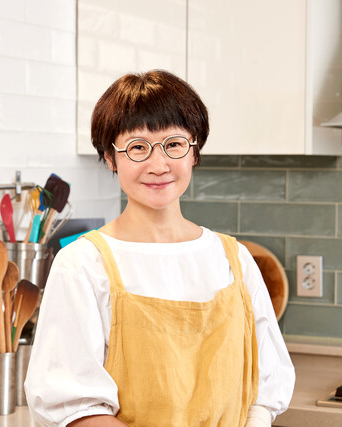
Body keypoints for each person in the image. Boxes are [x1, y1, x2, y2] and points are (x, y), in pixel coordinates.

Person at [24, 70, 295, 427]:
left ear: (193, 152)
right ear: (110, 157)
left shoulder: (235, 260)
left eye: (174, 144)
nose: (158, 165)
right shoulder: (82, 264)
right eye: (138, 147)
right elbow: (75, 409)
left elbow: (264, 389)